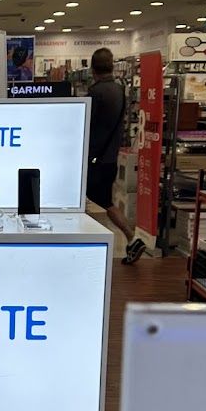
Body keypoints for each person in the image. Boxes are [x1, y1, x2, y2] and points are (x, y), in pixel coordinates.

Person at [86, 47, 146, 264]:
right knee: (103, 199)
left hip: (94, 158)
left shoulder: (96, 93)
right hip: (109, 157)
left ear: (93, 69)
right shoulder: (119, 89)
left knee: (98, 200)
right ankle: (131, 238)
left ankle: (132, 238)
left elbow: (87, 125)